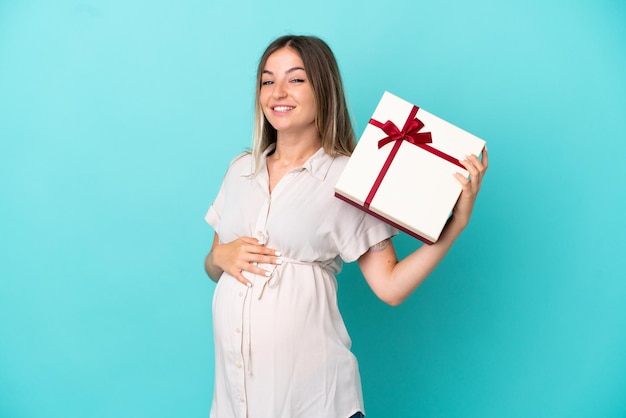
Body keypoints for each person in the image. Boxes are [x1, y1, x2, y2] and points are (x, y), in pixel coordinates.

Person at [203, 34, 488, 418]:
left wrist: (457, 224)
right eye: (268, 80)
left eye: (296, 79)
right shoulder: (241, 170)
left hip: (314, 400)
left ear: (324, 88)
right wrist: (220, 254)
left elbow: (390, 287)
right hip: (238, 400)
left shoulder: (348, 180)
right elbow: (213, 264)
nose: (278, 92)